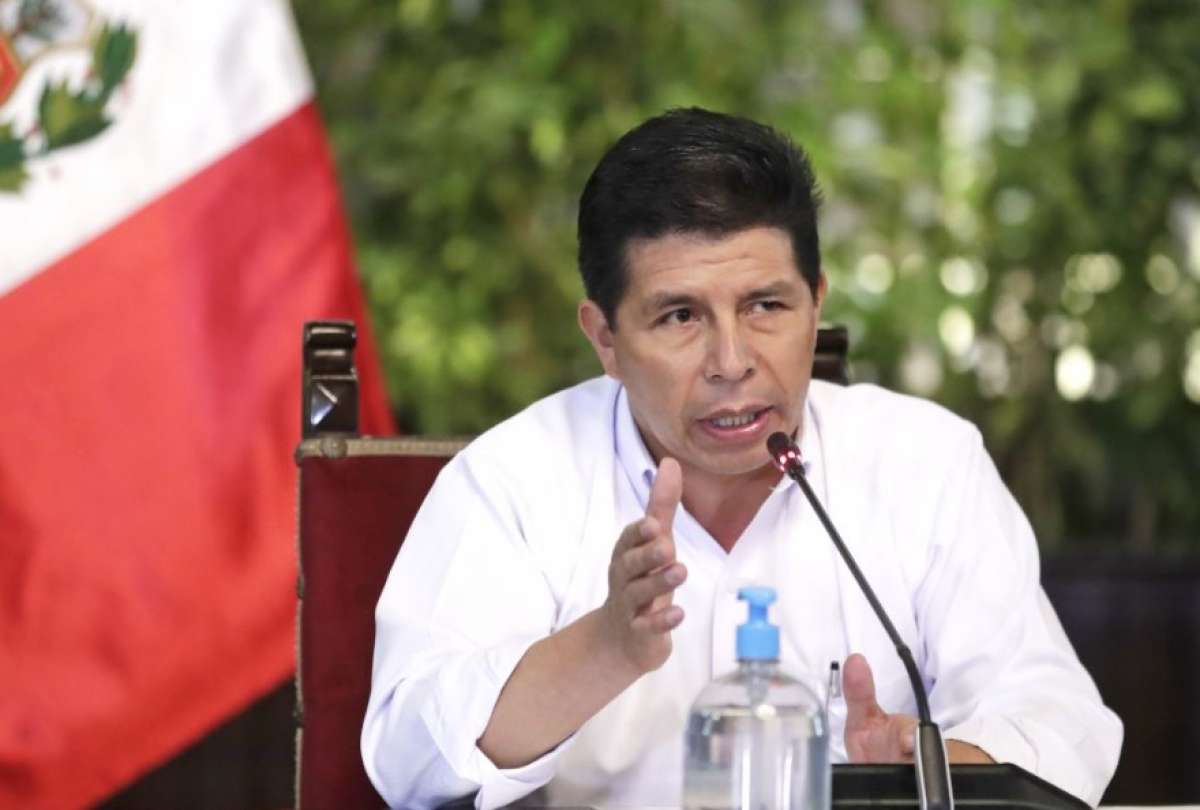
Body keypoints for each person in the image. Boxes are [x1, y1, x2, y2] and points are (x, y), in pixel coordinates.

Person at [361, 107, 1122, 809]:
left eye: (765, 306)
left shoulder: (925, 463)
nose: (732, 362)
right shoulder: (513, 480)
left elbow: (1055, 717)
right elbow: (407, 757)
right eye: (680, 316)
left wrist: (930, 767)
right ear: (605, 339)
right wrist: (604, 648)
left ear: (816, 303)